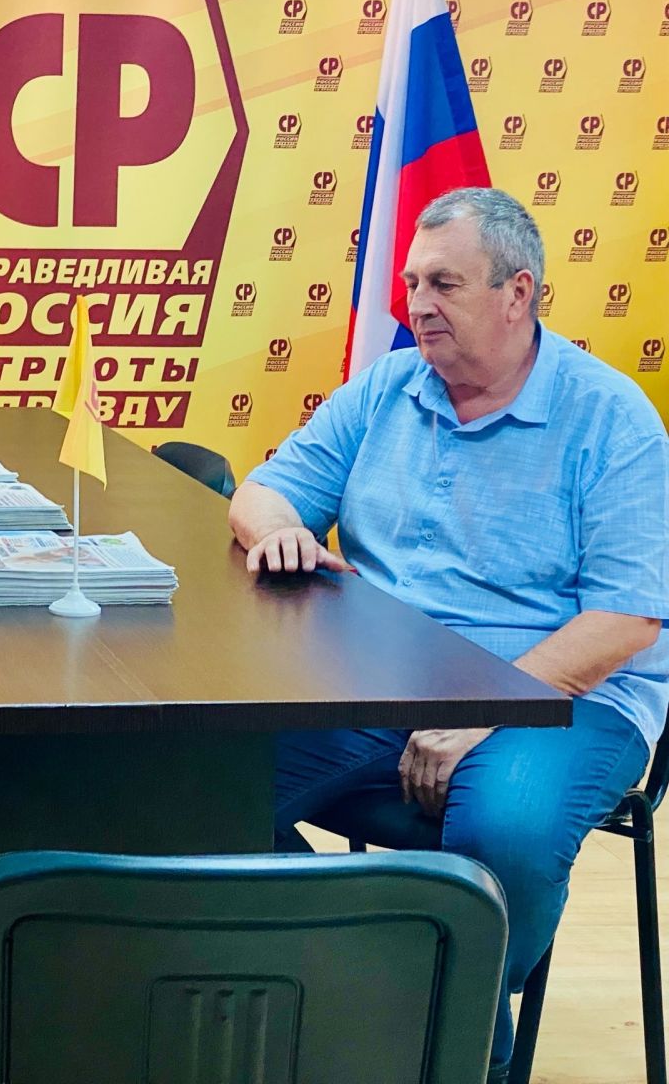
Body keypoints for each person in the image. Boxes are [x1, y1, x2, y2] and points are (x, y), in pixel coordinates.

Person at [229, 187, 669, 1082]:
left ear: (518, 292)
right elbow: (264, 490)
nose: (418, 305)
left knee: (505, 831)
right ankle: (357, 993)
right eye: (411, 284)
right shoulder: (386, 386)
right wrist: (278, 528)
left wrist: (484, 712)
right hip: (382, 677)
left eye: (443, 284)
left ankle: (446, 1050)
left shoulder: (611, 417)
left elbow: (626, 618)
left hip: (562, 694)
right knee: (194, 781)